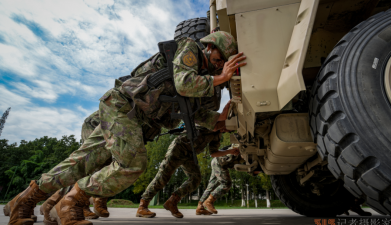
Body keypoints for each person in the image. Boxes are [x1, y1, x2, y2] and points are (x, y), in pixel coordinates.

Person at [8, 31, 245, 225]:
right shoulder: (190, 49)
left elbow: (194, 114)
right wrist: (222, 78)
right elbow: (183, 84)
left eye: (224, 64)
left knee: (83, 162)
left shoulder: (201, 77)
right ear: (209, 47)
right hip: (123, 108)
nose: (219, 66)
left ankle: (26, 202)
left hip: (128, 115)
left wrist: (220, 120)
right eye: (219, 60)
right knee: (132, 163)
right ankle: (71, 202)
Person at [137, 126, 240, 218]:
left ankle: (172, 201)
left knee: (195, 179)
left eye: (228, 131)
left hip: (190, 155)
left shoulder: (217, 135)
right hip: (178, 148)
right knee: (163, 177)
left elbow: (213, 153)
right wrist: (218, 124)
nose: (226, 130)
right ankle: (142, 206)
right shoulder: (210, 121)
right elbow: (199, 121)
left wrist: (230, 151)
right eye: (227, 127)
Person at [199, 147, 244, 215]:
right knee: (226, 183)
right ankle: (208, 201)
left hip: (217, 162)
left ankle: (199, 207)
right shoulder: (241, 145)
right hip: (219, 163)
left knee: (211, 187)